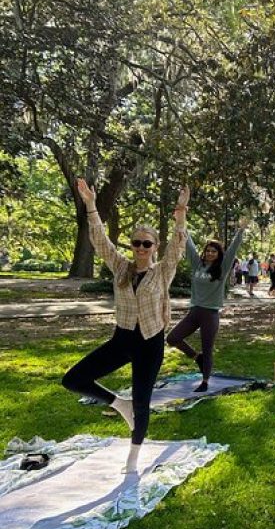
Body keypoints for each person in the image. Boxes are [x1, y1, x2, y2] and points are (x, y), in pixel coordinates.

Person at [62, 179, 189, 473]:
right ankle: (119, 403)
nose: (141, 247)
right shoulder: (121, 267)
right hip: (122, 339)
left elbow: (178, 245)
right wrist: (91, 205)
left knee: (142, 400)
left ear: (155, 247)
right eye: (137, 243)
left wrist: (181, 213)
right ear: (131, 246)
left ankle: (133, 456)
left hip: (150, 341)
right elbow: (100, 241)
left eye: (147, 243)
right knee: (73, 380)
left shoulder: (162, 271)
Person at [166, 219, 248, 392]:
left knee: (207, 348)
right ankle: (197, 357)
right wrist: (181, 224)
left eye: (214, 251)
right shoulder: (197, 264)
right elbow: (189, 245)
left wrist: (240, 231)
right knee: (172, 338)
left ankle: (205, 382)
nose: (210, 253)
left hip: (210, 314)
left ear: (219, 254)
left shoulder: (223, 268)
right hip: (194, 312)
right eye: (208, 251)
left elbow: (233, 249)